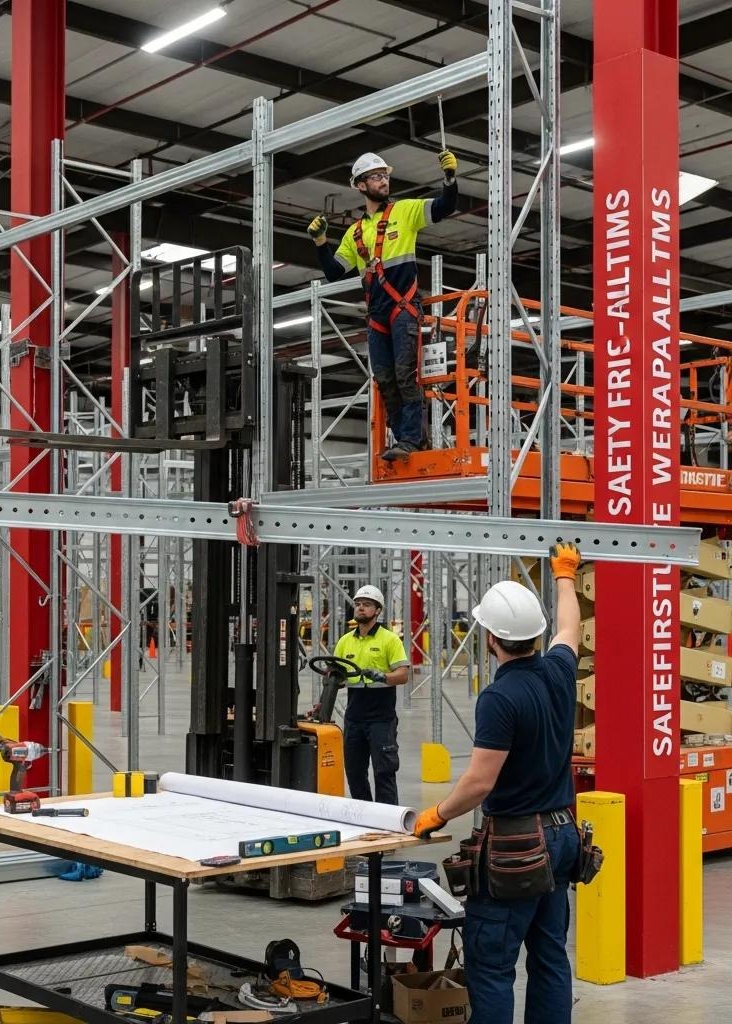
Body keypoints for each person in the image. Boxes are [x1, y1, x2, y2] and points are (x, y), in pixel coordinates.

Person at [413, 543, 583, 1024]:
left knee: (491, 965)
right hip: (563, 833)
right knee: (550, 955)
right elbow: (571, 627)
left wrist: (436, 814)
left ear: (490, 637)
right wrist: (565, 576)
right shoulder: (558, 671)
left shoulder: (500, 697)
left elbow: (479, 782)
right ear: (534, 635)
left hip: (518, 845)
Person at [307, 149, 458, 460]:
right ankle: (405, 438)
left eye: (385, 176)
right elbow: (335, 273)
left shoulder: (405, 212)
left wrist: (449, 178)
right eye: (376, 177)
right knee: (385, 378)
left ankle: (411, 440)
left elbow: (445, 207)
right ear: (361, 185)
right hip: (377, 314)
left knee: (405, 374)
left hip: (403, 307)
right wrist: (321, 243)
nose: (383, 180)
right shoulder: (355, 233)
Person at [332, 584, 410, 804]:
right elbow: (335, 675)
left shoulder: (389, 639)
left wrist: (382, 676)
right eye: (357, 604)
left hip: (381, 719)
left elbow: (403, 675)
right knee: (355, 774)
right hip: (354, 718)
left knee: (383, 773)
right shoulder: (345, 641)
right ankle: (363, 818)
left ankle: (388, 823)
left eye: (366, 605)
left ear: (378, 610)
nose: (360, 608)